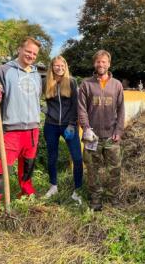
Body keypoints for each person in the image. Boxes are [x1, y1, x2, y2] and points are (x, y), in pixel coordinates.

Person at [0, 36, 43, 235]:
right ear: (20, 49)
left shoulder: (36, 74)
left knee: (28, 169)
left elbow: (35, 100)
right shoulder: (4, 70)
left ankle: (26, 195)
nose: (31, 56)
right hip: (10, 132)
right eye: (28, 51)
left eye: (34, 54)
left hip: (32, 130)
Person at [77, 50, 125, 211]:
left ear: (109, 64)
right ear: (94, 64)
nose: (101, 64)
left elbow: (121, 109)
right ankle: (95, 198)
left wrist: (119, 130)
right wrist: (86, 128)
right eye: (98, 61)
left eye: (104, 62)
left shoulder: (117, 85)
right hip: (93, 137)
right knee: (92, 170)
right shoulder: (86, 84)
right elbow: (82, 109)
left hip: (112, 136)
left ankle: (113, 197)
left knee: (115, 169)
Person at [42, 56, 84, 204]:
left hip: (69, 125)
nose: (59, 68)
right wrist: (43, 109)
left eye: (62, 65)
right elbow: (33, 97)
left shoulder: (71, 82)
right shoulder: (46, 82)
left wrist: (72, 124)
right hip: (51, 126)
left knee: (77, 158)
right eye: (56, 66)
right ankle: (53, 186)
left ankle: (78, 189)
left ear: (65, 67)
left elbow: (75, 105)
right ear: (51, 67)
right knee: (52, 157)